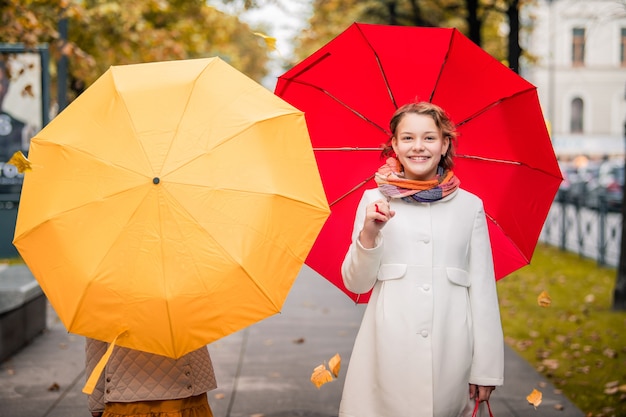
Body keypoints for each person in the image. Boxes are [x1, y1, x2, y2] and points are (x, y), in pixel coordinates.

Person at [338, 102, 504, 417]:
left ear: (444, 145)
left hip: (451, 352)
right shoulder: (374, 200)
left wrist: (486, 370)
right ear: (395, 146)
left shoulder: (469, 206)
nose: (418, 147)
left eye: (429, 138)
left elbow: (482, 291)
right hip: (387, 349)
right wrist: (370, 234)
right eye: (408, 138)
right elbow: (356, 282)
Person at [85, 339, 217, 417]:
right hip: (181, 389)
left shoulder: (103, 292)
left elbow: (96, 345)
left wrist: (96, 403)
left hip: (125, 392)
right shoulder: (185, 290)